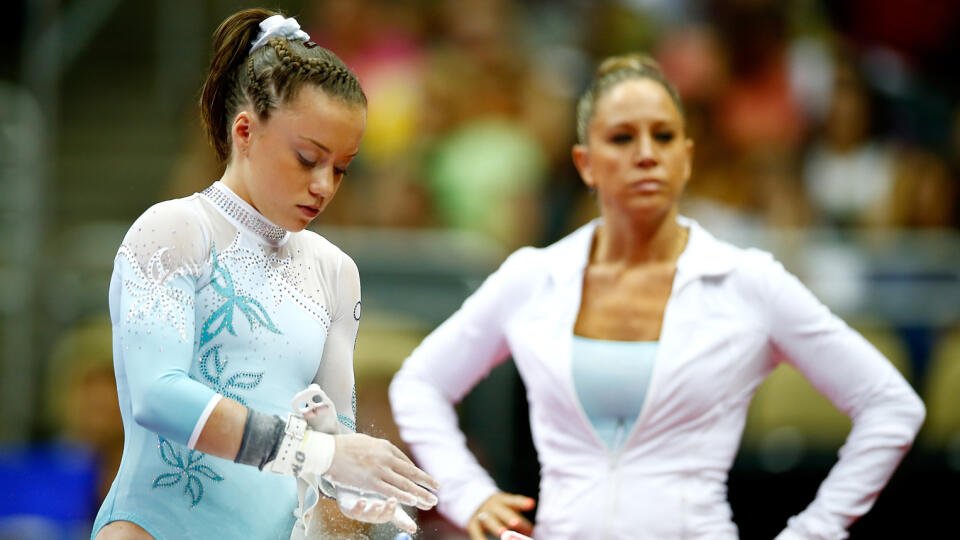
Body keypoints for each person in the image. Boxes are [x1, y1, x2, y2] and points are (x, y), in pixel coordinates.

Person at [389, 53, 925, 539]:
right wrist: (468, 496)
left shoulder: (747, 281)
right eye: (622, 138)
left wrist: (812, 532)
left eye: (664, 137)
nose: (646, 154)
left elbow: (890, 405)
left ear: (687, 157)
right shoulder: (534, 276)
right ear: (584, 163)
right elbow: (419, 383)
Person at [92, 9, 438, 540]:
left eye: (342, 167)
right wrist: (317, 452)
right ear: (246, 131)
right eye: (307, 158)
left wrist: (365, 510)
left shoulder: (334, 272)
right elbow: (157, 398)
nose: (324, 185)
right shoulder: (174, 231)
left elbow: (333, 450)